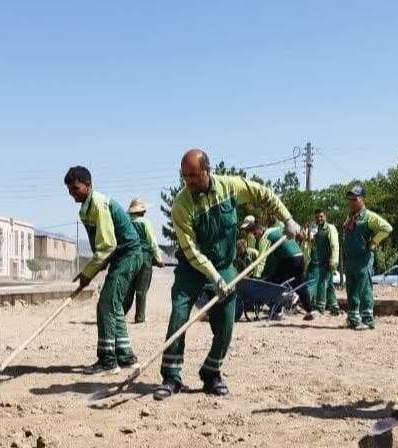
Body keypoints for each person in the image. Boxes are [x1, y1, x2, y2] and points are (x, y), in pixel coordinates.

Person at [157, 149, 300, 400]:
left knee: (226, 320)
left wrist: (287, 219)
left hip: (224, 264)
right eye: (185, 176)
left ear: (207, 170)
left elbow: (264, 194)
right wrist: (214, 277)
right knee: (179, 313)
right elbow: (191, 249)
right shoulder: (181, 205)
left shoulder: (230, 187)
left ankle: (212, 372)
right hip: (192, 267)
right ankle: (171, 376)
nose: (189, 181)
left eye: (194, 175)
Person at [65, 166, 143, 374]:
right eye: (69, 189)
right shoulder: (85, 210)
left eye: (75, 188)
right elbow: (99, 243)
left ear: (88, 185)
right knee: (114, 305)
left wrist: (88, 273)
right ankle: (126, 357)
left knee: (107, 304)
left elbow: (107, 245)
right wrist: (94, 270)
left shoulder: (99, 205)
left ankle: (108, 360)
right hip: (118, 257)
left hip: (128, 255)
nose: (72, 193)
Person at [341, 186, 393, 330]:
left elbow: (387, 228)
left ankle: (368, 320)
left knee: (364, 288)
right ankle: (353, 319)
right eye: (350, 199)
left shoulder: (369, 216)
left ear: (362, 199)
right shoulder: (350, 216)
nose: (351, 201)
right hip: (351, 260)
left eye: (355, 199)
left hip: (363, 260)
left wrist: (374, 242)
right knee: (351, 288)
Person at [245, 216, 315, 320]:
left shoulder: (265, 237)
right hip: (299, 256)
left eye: (255, 234)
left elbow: (262, 259)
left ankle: (277, 312)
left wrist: (257, 278)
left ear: (259, 229)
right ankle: (310, 311)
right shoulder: (278, 228)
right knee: (300, 284)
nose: (255, 237)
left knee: (274, 284)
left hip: (288, 258)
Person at [124, 198, 164, 323]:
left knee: (129, 288)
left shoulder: (126, 223)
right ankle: (140, 317)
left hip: (130, 258)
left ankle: (119, 315)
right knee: (141, 290)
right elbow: (152, 243)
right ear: (143, 211)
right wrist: (158, 259)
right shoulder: (145, 223)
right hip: (145, 258)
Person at [308, 210, 340, 315]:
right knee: (329, 285)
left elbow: (334, 245)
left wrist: (334, 260)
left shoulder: (330, 228)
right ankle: (335, 308)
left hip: (329, 261)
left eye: (321, 216)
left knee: (322, 282)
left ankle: (320, 307)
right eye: (317, 217)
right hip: (321, 262)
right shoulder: (318, 231)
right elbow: (313, 244)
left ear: (325, 216)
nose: (319, 219)